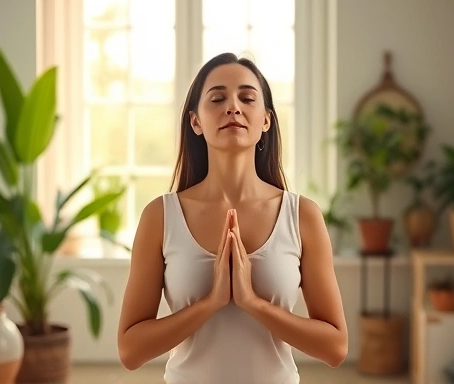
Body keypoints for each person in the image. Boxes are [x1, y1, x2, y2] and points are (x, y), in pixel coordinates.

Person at [117, 52, 348, 384]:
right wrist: (211, 303)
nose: (233, 107)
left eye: (247, 97)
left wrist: (253, 303)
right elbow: (130, 351)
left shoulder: (302, 216)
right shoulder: (160, 216)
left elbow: (335, 347)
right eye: (218, 97)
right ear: (195, 121)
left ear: (266, 120)